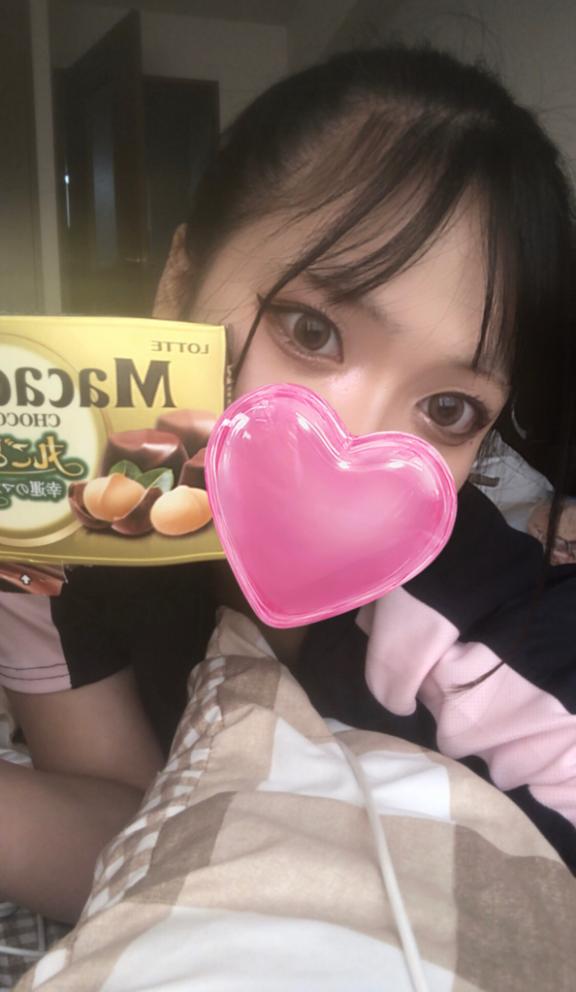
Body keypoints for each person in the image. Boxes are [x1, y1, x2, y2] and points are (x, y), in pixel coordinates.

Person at [1, 45, 575, 924]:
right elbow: (125, 832)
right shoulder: (52, 532)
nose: (358, 448)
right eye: (311, 331)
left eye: (449, 409)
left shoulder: (466, 605)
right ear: (179, 283)